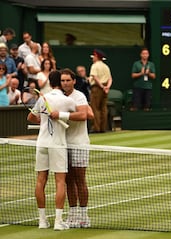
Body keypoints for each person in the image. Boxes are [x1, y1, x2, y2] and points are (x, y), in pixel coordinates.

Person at [27, 70, 76, 231]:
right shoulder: (66, 100)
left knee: (40, 180)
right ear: (60, 83)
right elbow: (79, 113)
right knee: (60, 181)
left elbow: (31, 118)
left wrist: (43, 118)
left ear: (49, 81)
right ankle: (58, 221)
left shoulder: (43, 99)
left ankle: (42, 221)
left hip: (42, 143)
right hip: (57, 144)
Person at [51, 68, 94, 228]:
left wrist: (61, 115)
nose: (65, 83)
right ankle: (73, 214)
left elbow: (84, 115)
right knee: (68, 181)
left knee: (80, 179)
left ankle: (84, 216)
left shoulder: (80, 96)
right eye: (63, 81)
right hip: (63, 144)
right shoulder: (59, 98)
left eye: (68, 80)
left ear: (74, 81)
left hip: (79, 143)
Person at [89, 49, 112, 133]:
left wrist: (102, 86)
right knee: (103, 108)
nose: (92, 58)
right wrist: (107, 87)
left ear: (96, 56)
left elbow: (95, 77)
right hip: (105, 89)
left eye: (93, 56)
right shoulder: (106, 66)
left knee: (95, 108)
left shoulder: (94, 66)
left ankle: (96, 128)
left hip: (97, 88)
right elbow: (110, 79)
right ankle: (103, 128)